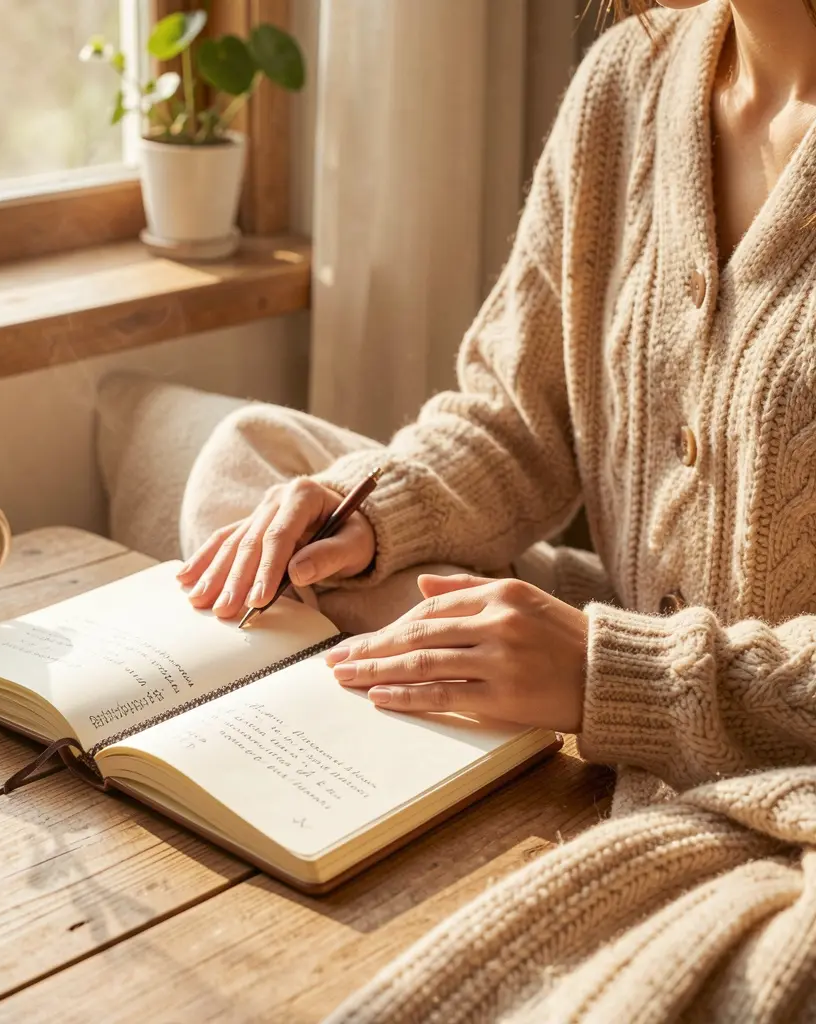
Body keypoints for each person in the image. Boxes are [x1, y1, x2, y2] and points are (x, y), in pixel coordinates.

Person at [179, 1, 816, 1019]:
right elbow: (520, 418)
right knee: (257, 463)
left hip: (774, 754)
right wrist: (377, 512)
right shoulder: (627, 82)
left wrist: (615, 676)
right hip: (611, 645)